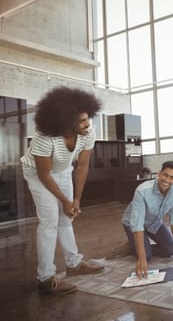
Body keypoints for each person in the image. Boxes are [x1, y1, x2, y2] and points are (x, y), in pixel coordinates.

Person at [20, 86, 105, 295]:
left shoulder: (87, 132)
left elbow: (83, 166)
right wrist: (64, 200)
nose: (88, 124)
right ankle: (46, 278)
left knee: (67, 218)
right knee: (50, 221)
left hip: (63, 170)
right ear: (66, 122)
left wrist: (75, 200)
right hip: (39, 174)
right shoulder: (44, 137)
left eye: (88, 118)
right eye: (82, 121)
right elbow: (44, 175)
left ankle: (74, 263)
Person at [121, 161, 173, 279]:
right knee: (146, 256)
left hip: (153, 222)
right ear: (159, 174)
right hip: (133, 223)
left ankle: (134, 246)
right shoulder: (142, 190)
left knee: (169, 250)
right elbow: (137, 225)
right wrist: (142, 259)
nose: (167, 180)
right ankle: (133, 247)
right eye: (165, 175)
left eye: (172, 177)